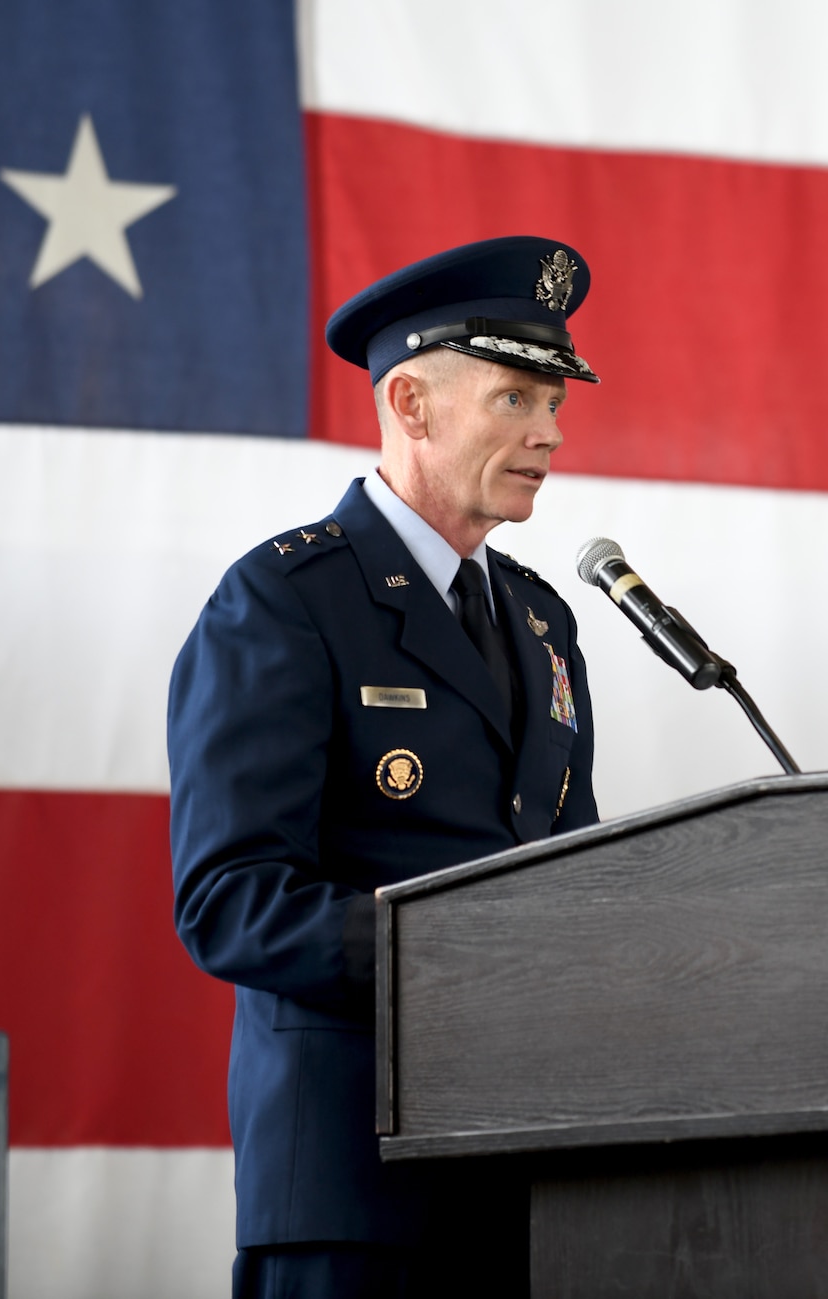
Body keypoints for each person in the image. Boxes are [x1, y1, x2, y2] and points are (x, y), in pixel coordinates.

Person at [167, 236, 602, 1296]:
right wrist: (465, 953)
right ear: (410, 404)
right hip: (353, 1187)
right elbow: (229, 901)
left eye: (555, 404)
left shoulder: (544, 621)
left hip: (535, 1183)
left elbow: (580, 872)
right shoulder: (285, 600)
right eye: (515, 400)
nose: (549, 433)